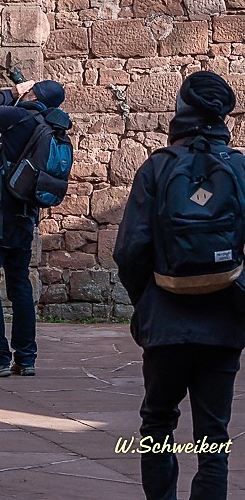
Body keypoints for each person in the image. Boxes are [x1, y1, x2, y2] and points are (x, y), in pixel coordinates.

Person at [114, 71, 244, 500]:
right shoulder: (240, 168)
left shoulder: (157, 166)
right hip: (225, 321)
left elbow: (131, 250)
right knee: (213, 438)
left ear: (182, 111)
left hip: (165, 321)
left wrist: (147, 302)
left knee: (156, 424)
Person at [0, 78, 67, 377]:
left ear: (34, 94)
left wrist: (12, 93)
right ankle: (26, 358)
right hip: (25, 219)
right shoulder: (51, 128)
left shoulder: (21, 117)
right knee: (20, 286)